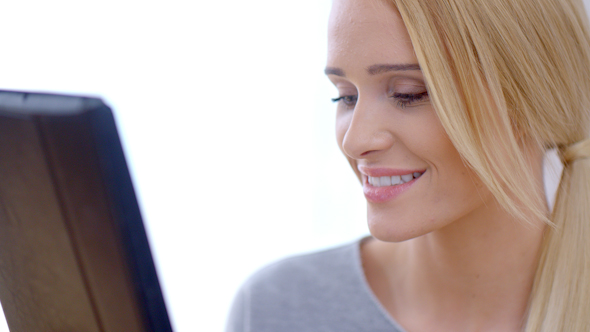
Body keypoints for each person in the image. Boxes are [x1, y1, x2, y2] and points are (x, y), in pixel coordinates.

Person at [226, 0, 590, 331]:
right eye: (346, 96)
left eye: (408, 93)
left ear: (530, 97)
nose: (355, 141)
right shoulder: (278, 309)